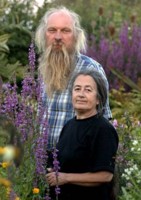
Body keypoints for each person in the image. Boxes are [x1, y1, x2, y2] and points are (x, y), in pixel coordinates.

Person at [35, 6, 112, 149]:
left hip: (76, 163)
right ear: (44, 35)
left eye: (65, 31)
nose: (58, 37)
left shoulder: (91, 70)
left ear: (76, 36)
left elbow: (105, 121)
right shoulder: (43, 69)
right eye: (52, 30)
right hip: (42, 160)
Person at [46, 69, 119, 200]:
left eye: (88, 90)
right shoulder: (69, 126)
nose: (81, 94)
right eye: (77, 89)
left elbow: (105, 175)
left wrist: (66, 178)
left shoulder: (103, 129)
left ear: (98, 99)